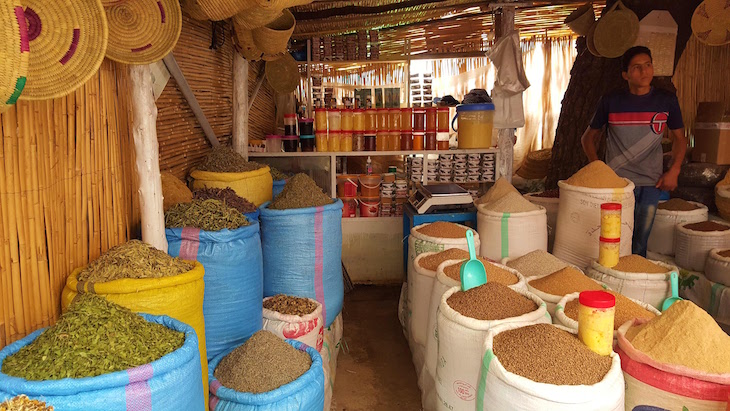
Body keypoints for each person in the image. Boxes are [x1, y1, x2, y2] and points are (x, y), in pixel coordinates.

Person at [581, 46, 687, 257]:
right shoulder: (611, 101)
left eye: (648, 65)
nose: (644, 71)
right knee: (613, 239)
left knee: (640, 242)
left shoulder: (666, 101)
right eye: (637, 67)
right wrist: (600, 170)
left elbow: (680, 139)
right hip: (618, 185)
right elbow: (587, 139)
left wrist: (674, 170)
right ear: (625, 75)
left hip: (651, 183)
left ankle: (633, 285)